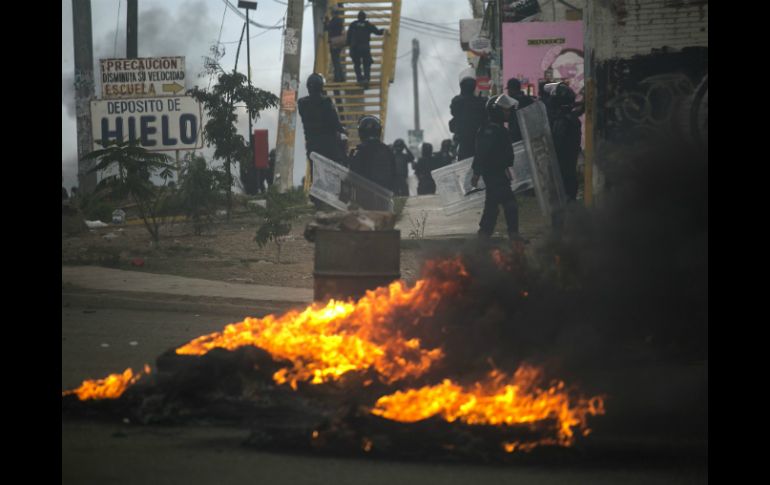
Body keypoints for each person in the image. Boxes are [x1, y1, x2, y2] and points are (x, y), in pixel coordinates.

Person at [471, 94, 522, 243]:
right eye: (505, 110)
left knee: (494, 205)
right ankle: (510, 235)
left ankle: (485, 236)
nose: (508, 112)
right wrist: (476, 173)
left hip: (499, 173)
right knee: (507, 203)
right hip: (493, 174)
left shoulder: (498, 129)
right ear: (496, 111)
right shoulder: (490, 131)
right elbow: (481, 153)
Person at [298, 73, 348, 170]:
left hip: (312, 145)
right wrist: (343, 131)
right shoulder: (326, 102)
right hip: (329, 146)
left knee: (315, 173)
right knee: (339, 163)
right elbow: (334, 122)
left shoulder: (302, 104)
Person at [548, 82, 582, 202]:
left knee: (560, 206)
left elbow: (555, 146)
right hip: (570, 172)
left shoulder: (562, 122)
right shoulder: (572, 119)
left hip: (561, 173)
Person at [349, 116, 396, 192]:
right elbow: (394, 175)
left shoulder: (358, 151)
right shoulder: (388, 151)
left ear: (361, 132)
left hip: (364, 195)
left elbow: (352, 175)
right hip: (384, 195)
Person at [449, 76, 487, 161]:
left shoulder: (457, 101)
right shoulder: (480, 102)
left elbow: (453, 112)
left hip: (464, 140)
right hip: (480, 139)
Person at [346, 10, 384, 88]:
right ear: (365, 17)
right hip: (365, 48)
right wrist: (384, 31)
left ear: (358, 17)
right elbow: (378, 32)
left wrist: (349, 47)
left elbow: (348, 38)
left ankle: (359, 79)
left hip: (355, 49)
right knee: (366, 64)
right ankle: (366, 79)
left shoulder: (353, 24)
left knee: (357, 64)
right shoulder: (367, 24)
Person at [505, 77, 535, 144]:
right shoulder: (529, 100)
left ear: (511, 90)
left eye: (508, 90)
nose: (508, 92)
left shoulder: (511, 102)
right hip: (530, 135)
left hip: (516, 137)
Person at [324, 6, 346, 83]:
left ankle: (338, 78)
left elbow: (327, 28)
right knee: (337, 59)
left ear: (333, 13)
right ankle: (342, 77)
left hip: (334, 42)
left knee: (335, 60)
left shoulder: (334, 20)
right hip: (339, 42)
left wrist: (326, 21)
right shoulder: (340, 20)